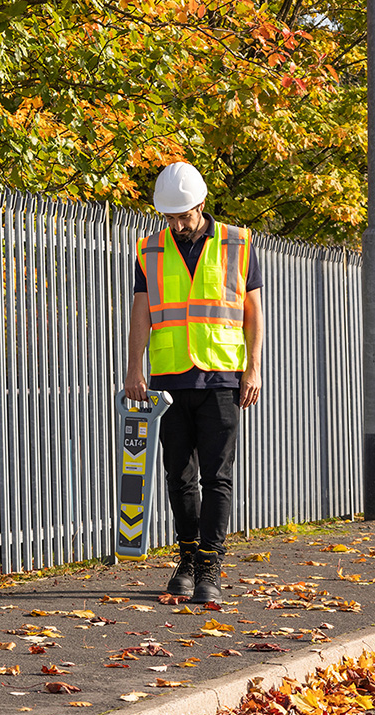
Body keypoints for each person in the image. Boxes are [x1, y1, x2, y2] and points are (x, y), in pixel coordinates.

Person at [124, 162, 264, 603]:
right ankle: (187, 559)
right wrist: (133, 367)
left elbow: (252, 310)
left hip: (222, 376)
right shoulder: (150, 249)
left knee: (217, 477)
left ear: (201, 205)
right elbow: (142, 312)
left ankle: (210, 566)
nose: (177, 224)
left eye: (183, 216)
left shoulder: (237, 243)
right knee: (177, 475)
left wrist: (253, 367)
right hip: (168, 379)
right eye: (169, 217)